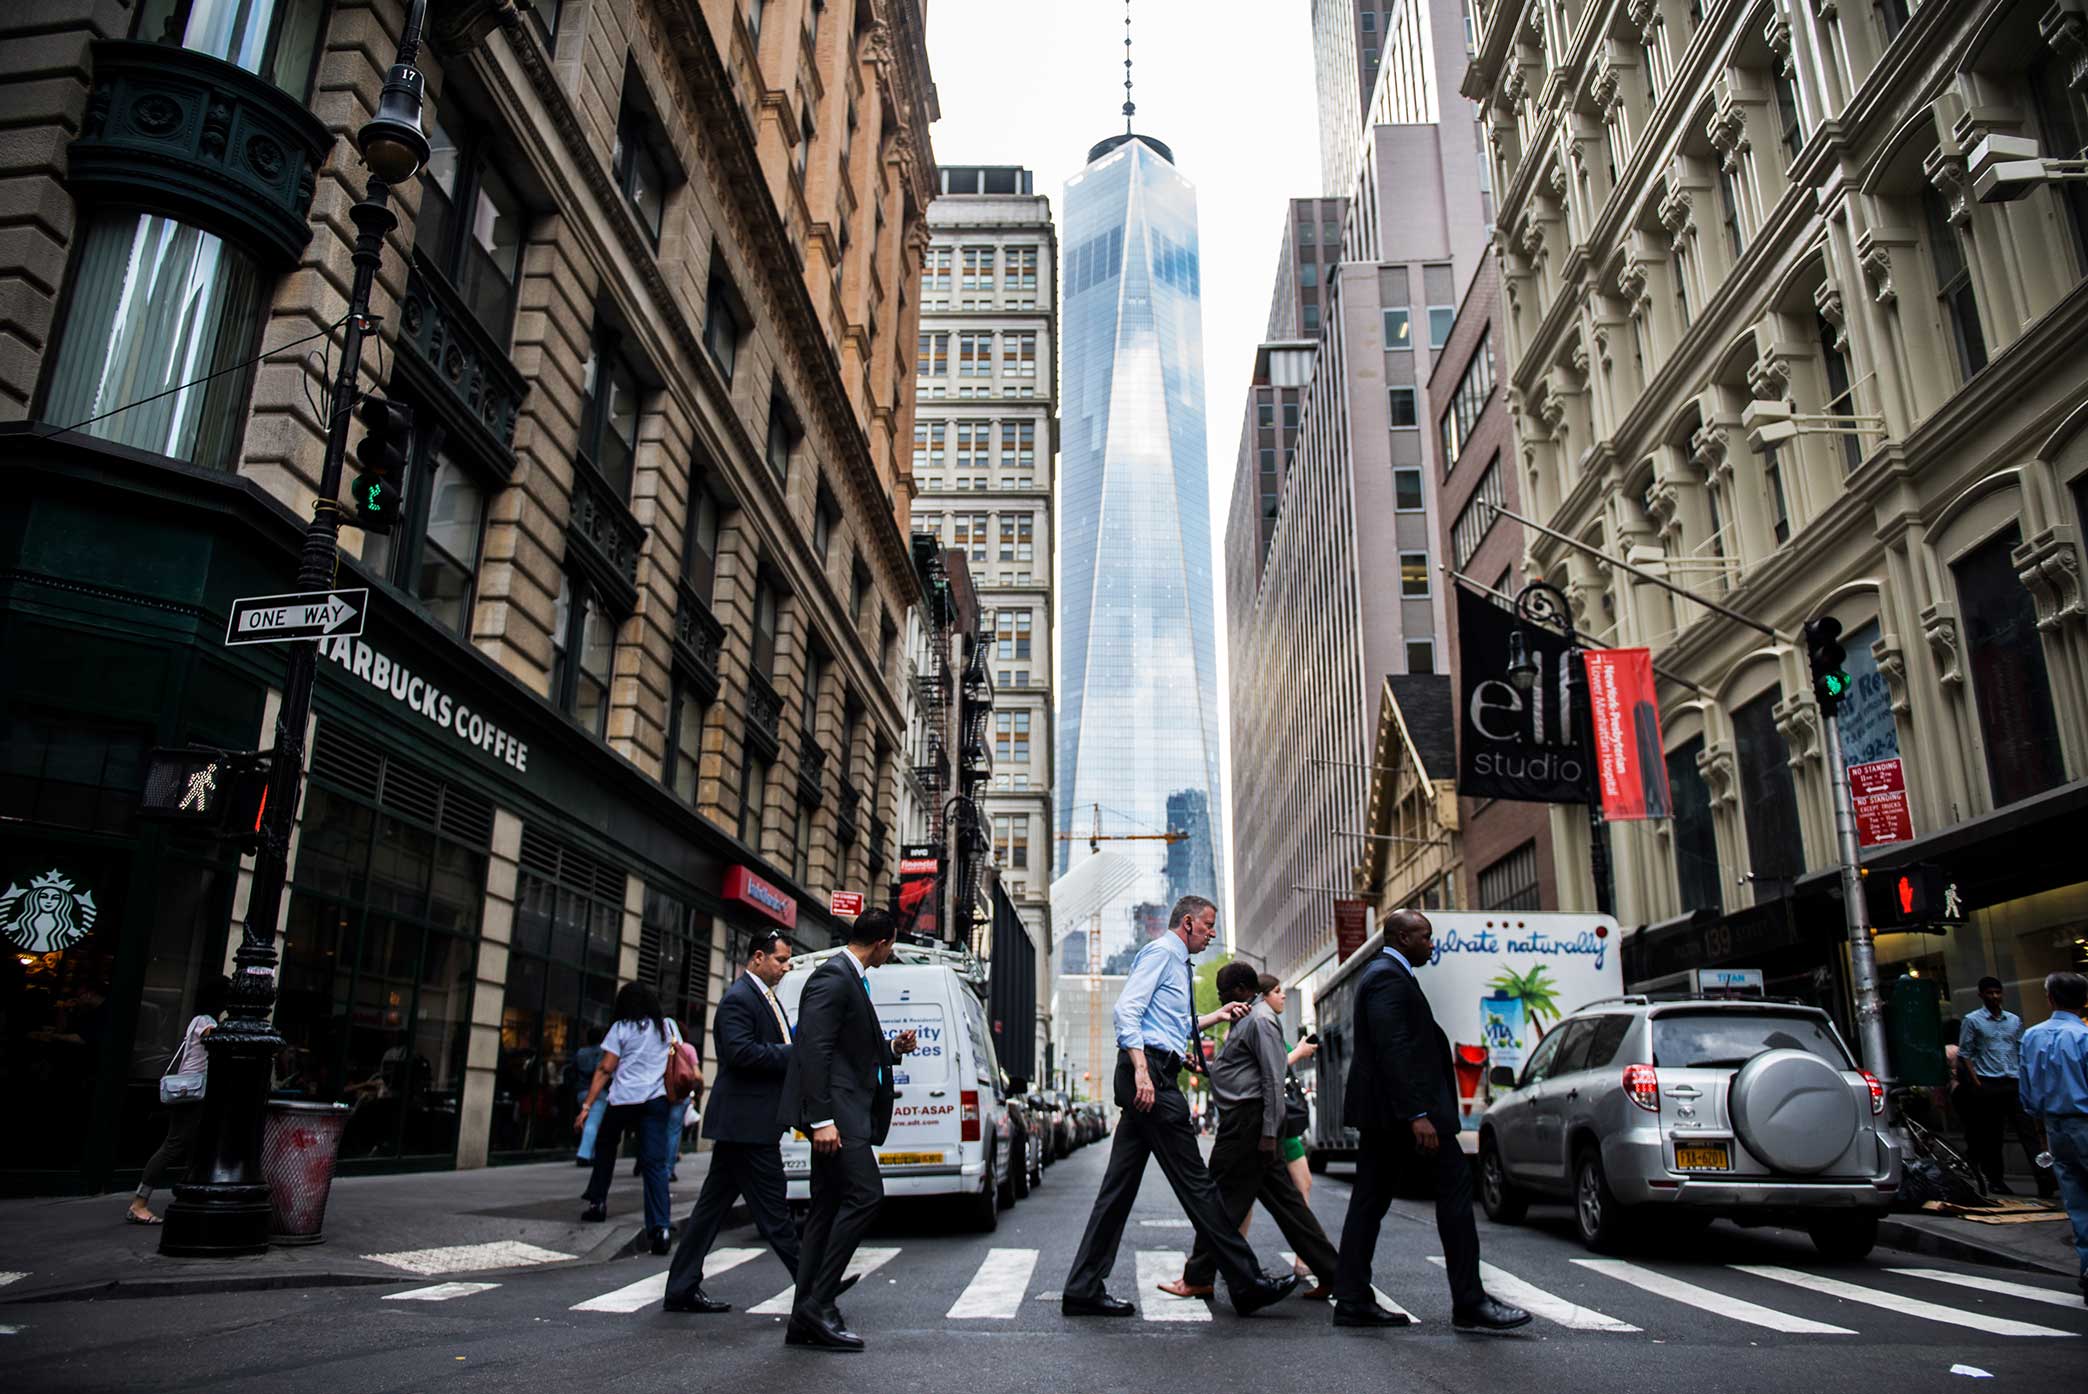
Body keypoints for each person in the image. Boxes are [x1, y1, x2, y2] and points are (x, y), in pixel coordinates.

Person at [1061, 895, 1301, 1320]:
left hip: (1156, 1071)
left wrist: (1212, 1018)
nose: (1212, 933)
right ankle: (1247, 1282)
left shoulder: (1178, 963)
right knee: (1198, 1185)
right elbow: (1127, 1012)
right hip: (1150, 1079)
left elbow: (1166, 1023)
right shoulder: (1160, 953)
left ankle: (1082, 1287)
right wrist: (1142, 1071)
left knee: (1117, 1189)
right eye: (1208, 925)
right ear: (1187, 922)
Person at [1331, 910, 1530, 1332]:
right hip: (1402, 1117)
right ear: (1403, 938)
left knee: (1369, 1202)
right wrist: (1418, 1114)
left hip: (1389, 1117)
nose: (1431, 944)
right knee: (1454, 1190)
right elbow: (1394, 1048)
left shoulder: (1388, 974)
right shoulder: (1387, 977)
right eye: (1425, 937)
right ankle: (1469, 1302)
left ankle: (1351, 1298)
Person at [778, 909, 919, 1352]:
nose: (891, 952)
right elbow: (813, 1050)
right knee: (866, 1196)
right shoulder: (833, 977)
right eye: (892, 945)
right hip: (838, 1118)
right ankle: (818, 1304)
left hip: (842, 1114)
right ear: (881, 943)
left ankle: (805, 1315)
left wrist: (893, 1048)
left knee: (826, 1207)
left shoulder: (849, 978)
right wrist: (822, 1120)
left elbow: (846, 1048)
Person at [1159, 963, 1341, 1302]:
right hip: (1248, 1124)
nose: (1220, 997)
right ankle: (1333, 1274)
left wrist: (1270, 1133)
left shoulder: (1259, 1021)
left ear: (1244, 988)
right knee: (1288, 1207)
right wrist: (1205, 1067)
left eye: (1225, 991)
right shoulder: (1246, 1019)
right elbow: (1242, 1071)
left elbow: (1272, 1078)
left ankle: (1198, 1276)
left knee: (1217, 1200)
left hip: (1248, 1125)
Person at [664, 930, 812, 1315]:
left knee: (709, 1212)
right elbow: (740, 1053)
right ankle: (815, 1287)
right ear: (758, 957)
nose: (786, 967)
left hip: (745, 1124)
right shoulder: (738, 999)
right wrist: (793, 1054)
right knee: (775, 1213)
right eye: (781, 960)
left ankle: (681, 1288)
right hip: (747, 1124)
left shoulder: (765, 997)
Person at [577, 981, 692, 1255]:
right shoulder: (666, 1027)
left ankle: (598, 1203)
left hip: (623, 1099)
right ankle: (660, 1228)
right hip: (655, 1100)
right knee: (655, 1163)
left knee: (605, 1148)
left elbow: (606, 1069)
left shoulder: (621, 1028)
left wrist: (587, 1105)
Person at [126, 975, 227, 1225]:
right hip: (190, 1092)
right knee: (174, 1144)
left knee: (196, 1144)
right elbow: (213, 1036)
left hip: (199, 1092)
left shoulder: (209, 1019)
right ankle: (139, 1202)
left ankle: (188, 1191)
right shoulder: (203, 1020)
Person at [2018, 970, 2088, 1306]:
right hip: (2084, 1121)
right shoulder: (2084, 1037)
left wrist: (2040, 1129)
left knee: (2076, 1201)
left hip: (2055, 1127)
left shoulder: (2032, 1037)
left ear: (2050, 999)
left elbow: (2027, 1092)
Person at [1960, 977, 2058, 1197]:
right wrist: (1977, 1083)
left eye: (1997, 992)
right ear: (1981, 995)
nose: (1994, 997)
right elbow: (1965, 1053)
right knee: (1993, 1137)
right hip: (1989, 1083)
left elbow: (2021, 1048)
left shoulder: (2013, 1020)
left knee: (2029, 1134)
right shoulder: (1972, 1020)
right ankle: (1996, 1180)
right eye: (1989, 993)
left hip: (2013, 1082)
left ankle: (2044, 1180)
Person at [573, 1027, 607, 1167]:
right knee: (592, 1123)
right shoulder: (601, 1052)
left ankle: (590, 1153)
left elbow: (573, 1069)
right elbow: (600, 1071)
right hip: (597, 1091)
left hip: (581, 1091)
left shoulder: (581, 1052)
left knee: (588, 1122)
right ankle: (584, 1154)